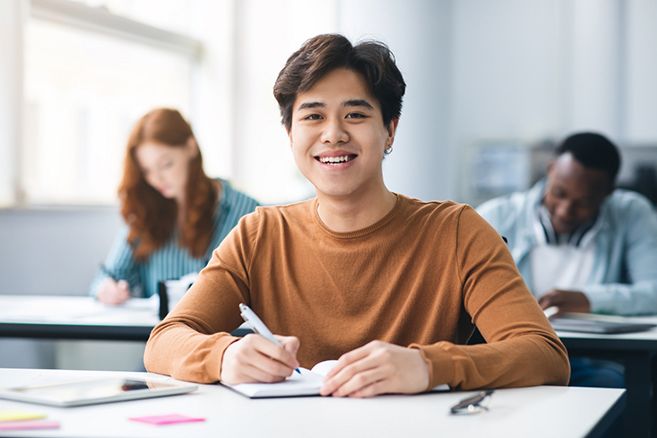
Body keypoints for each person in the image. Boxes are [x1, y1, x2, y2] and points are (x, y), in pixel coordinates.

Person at [144, 34, 569, 396]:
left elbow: (544, 355)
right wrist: (225, 355)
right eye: (312, 116)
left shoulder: (457, 230)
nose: (333, 133)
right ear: (290, 133)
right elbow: (163, 342)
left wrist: (428, 366)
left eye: (356, 114)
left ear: (390, 129)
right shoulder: (260, 234)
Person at [477, 132, 657, 387]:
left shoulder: (632, 214)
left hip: (587, 359)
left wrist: (588, 299)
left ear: (608, 193)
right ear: (550, 170)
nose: (564, 211)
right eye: (559, 193)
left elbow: (652, 291)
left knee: (614, 384)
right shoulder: (496, 216)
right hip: (512, 354)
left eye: (583, 203)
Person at [90, 108, 259, 304]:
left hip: (225, 333)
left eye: (166, 164)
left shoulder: (245, 210)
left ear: (191, 147)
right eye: (147, 171)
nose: (157, 179)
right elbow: (108, 278)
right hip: (160, 333)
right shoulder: (144, 211)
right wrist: (108, 289)